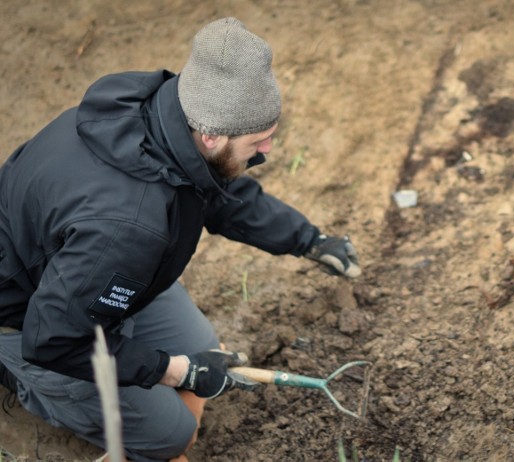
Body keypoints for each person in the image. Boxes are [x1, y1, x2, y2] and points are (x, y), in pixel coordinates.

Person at [0, 17, 361, 461]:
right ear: (211, 134)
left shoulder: (164, 114)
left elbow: (220, 191)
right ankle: (17, 375)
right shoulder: (129, 228)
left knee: (202, 344)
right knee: (172, 435)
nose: (266, 153)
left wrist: (308, 239)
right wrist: (178, 373)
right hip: (30, 317)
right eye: (258, 142)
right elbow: (55, 336)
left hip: (86, 274)